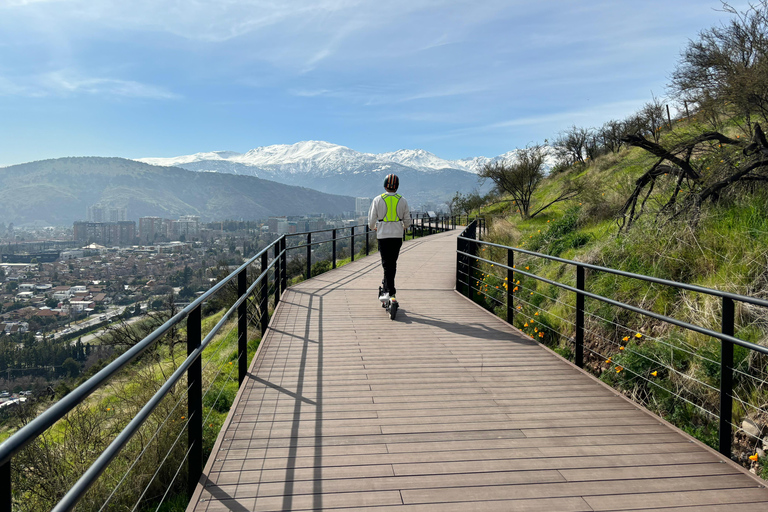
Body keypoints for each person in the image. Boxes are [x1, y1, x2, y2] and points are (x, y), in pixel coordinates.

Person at [368, 173, 411, 303]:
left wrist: (373, 227)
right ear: (397, 186)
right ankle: (388, 288)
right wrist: (403, 226)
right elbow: (408, 222)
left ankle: (389, 291)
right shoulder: (402, 200)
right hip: (397, 236)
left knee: (386, 264)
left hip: (383, 236)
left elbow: (371, 221)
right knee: (392, 263)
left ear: (385, 185)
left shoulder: (377, 199)